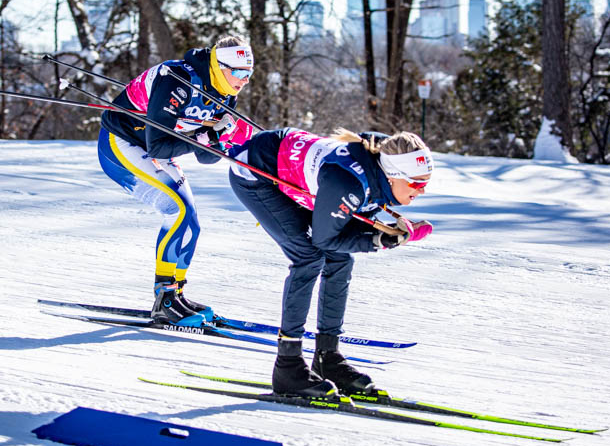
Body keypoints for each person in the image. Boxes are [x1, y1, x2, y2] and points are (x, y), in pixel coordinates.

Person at [228, 127, 434, 398]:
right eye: (417, 184)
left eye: (426, 184)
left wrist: (380, 234)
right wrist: (378, 240)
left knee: (340, 261)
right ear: (394, 175)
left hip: (292, 168)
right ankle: (287, 366)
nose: (421, 192)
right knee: (308, 257)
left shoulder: (382, 166)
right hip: (255, 174)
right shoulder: (348, 183)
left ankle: (328, 357)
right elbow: (326, 239)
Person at [98, 35, 255, 326]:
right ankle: (164, 299)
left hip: (153, 149)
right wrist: (205, 136)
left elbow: (206, 157)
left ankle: (176, 295)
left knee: (191, 222)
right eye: (239, 72)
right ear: (219, 66)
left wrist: (222, 137)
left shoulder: (225, 94)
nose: (245, 80)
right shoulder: (178, 80)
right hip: (122, 143)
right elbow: (158, 145)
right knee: (177, 211)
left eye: (249, 74)